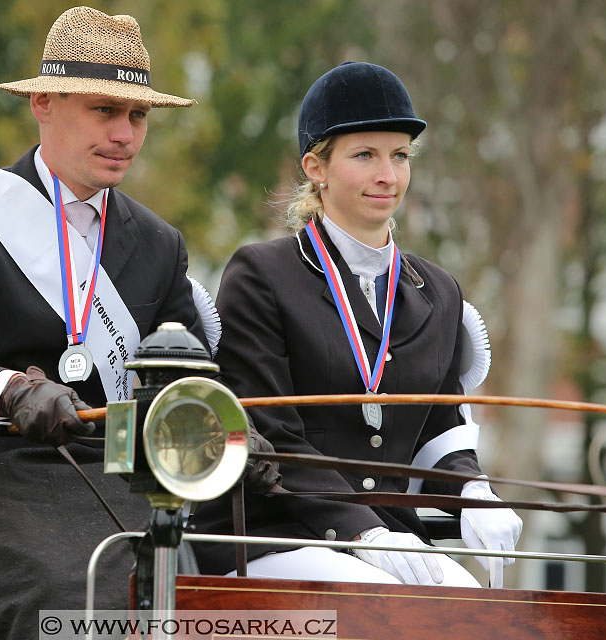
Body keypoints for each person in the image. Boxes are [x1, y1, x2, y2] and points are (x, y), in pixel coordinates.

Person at [0, 7, 254, 638]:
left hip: (102, 471)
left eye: (137, 116)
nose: (125, 135)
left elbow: (186, 383)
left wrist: (231, 430)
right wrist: (12, 391)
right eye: (104, 111)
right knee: (79, 612)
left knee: (218, 608)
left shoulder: (160, 245)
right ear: (44, 104)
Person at [192, 61, 522, 589]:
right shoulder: (260, 275)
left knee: (470, 599)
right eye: (364, 155)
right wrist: (361, 532)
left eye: (399, 156)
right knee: (392, 602)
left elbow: (439, 426)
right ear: (316, 168)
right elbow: (270, 434)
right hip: (271, 532)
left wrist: (473, 492)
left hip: (393, 532)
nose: (387, 176)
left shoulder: (438, 292)